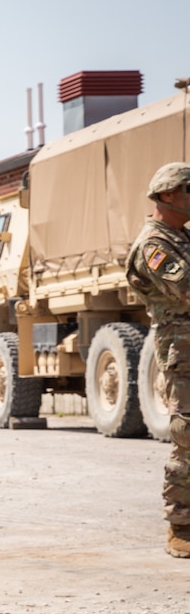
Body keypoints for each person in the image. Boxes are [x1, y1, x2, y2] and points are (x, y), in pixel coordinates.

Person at [124, 162, 190, 559]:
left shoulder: (182, 238)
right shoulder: (155, 243)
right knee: (187, 436)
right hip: (183, 350)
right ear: (168, 195)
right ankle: (180, 525)